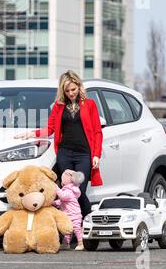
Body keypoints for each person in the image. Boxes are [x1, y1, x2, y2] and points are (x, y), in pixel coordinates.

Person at [14, 70, 103, 218]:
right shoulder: (59, 106)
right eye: (67, 90)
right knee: (67, 190)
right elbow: (50, 128)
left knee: (78, 191)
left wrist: (96, 155)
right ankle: (73, 227)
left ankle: (87, 223)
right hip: (65, 154)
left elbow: (97, 132)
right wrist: (31, 134)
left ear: (79, 86)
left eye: (73, 89)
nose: (70, 93)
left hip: (83, 155)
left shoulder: (90, 104)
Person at [53, 169, 86, 251]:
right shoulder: (67, 190)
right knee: (68, 230)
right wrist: (53, 203)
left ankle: (81, 243)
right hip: (68, 214)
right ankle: (66, 243)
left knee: (76, 229)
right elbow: (61, 201)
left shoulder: (69, 191)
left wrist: (56, 188)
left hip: (74, 214)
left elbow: (63, 197)